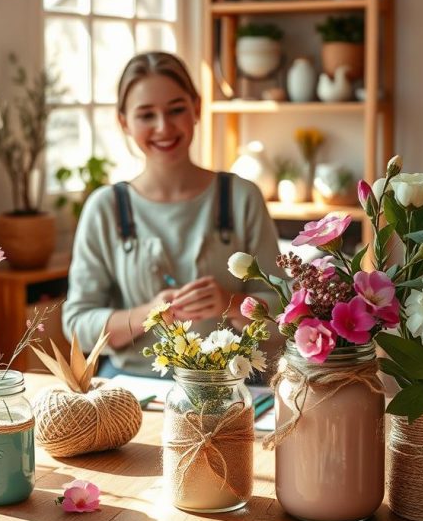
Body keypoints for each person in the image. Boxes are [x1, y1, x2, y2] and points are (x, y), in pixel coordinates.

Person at [62, 51, 280, 376]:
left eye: (176, 109)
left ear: (197, 108)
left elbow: (286, 312)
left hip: (230, 384)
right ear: (123, 122)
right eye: (146, 115)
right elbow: (77, 325)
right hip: (131, 389)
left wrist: (231, 303)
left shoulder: (241, 198)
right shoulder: (104, 208)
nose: (164, 127)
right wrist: (148, 314)